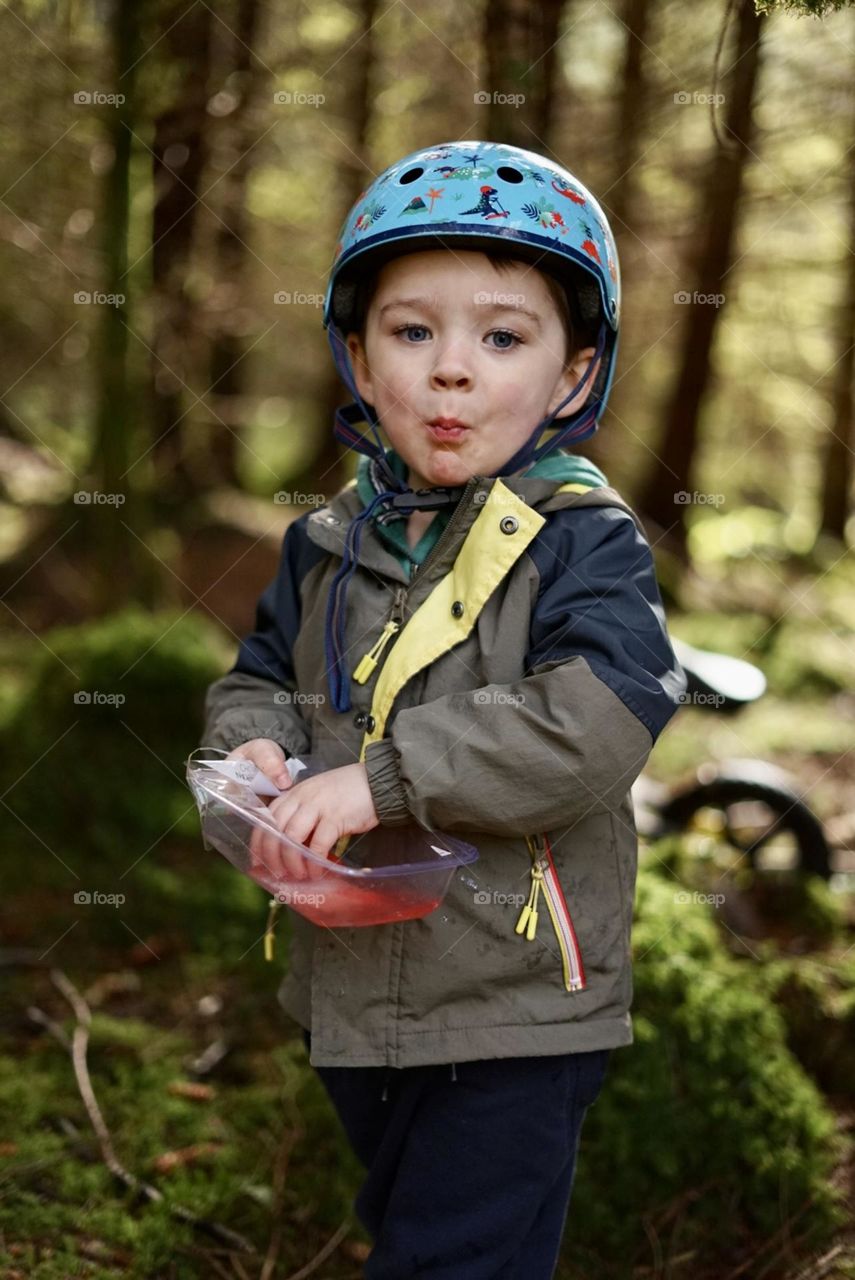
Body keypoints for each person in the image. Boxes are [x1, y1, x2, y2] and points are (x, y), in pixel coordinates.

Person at [200, 139, 686, 1279]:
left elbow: (602, 714)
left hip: (517, 1002)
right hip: (352, 982)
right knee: (424, 1226)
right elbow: (256, 674)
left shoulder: (585, 540)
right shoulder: (328, 540)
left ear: (573, 374)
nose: (450, 370)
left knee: (448, 1255)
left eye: (502, 336)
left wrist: (384, 777)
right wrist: (247, 750)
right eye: (412, 332)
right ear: (359, 360)